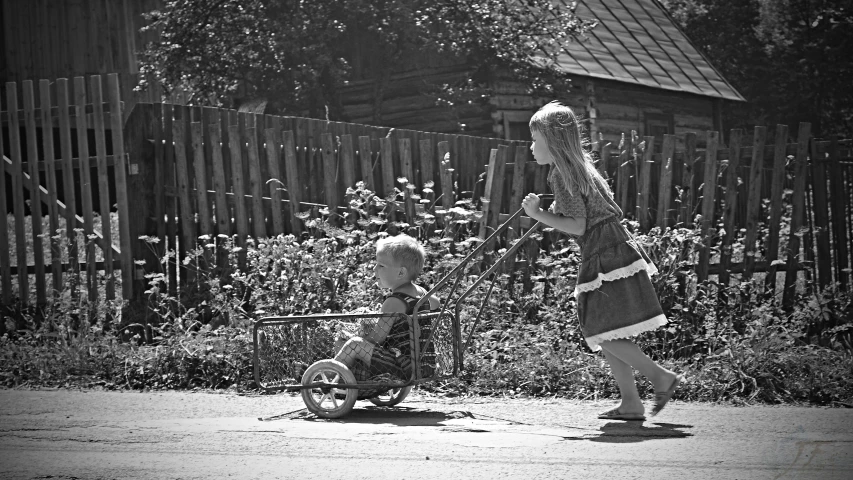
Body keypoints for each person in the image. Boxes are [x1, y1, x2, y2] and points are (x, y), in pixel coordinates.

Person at [521, 101, 683, 420]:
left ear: (552, 143)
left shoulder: (561, 175)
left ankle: (660, 377)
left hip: (603, 252)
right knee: (609, 329)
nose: (531, 146)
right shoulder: (582, 169)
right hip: (614, 246)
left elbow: (578, 225)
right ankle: (631, 403)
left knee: (600, 328)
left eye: (535, 139)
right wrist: (551, 213)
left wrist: (538, 214)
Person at [334, 234, 441, 381]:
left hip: (402, 366)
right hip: (425, 365)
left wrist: (358, 336)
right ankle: (346, 379)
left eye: (381, 265)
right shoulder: (422, 294)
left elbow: (377, 339)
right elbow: (436, 304)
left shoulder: (394, 302)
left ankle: (326, 377)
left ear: (401, 273)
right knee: (354, 344)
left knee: (353, 345)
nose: (374, 268)